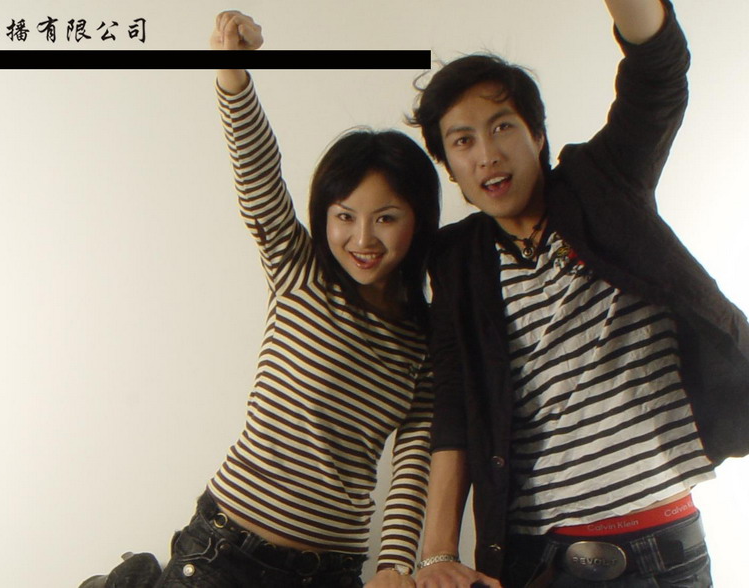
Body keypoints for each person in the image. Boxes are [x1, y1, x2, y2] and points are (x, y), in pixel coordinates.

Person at [86, 11, 441, 588]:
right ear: (324, 216)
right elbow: (258, 178)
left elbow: (413, 458)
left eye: (386, 218)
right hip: (228, 551)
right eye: (344, 217)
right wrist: (233, 75)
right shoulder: (300, 270)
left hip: (331, 572)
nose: (363, 239)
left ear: (418, 219)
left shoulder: (424, 337)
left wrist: (394, 565)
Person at [409, 1, 749, 587]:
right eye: (463, 141)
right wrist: (438, 554)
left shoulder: (603, 183)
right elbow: (455, 409)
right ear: (450, 167)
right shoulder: (458, 262)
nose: (487, 153)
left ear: (538, 135)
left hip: (662, 552)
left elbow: (658, 72)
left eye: (502, 127)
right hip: (538, 561)